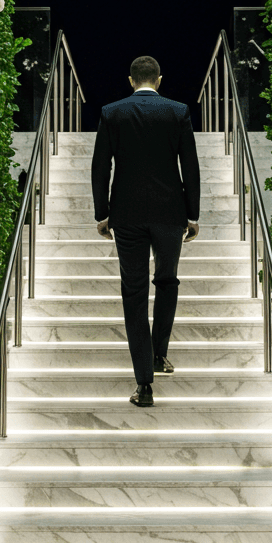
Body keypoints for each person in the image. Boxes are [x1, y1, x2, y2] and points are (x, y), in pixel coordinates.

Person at [91, 55, 200, 407]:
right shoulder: (178, 111)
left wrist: (103, 213)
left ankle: (144, 385)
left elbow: (100, 167)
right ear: (159, 79)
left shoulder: (112, 112)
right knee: (167, 280)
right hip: (170, 213)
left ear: (130, 80)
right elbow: (190, 167)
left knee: (134, 294)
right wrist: (193, 215)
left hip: (127, 215)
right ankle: (159, 353)